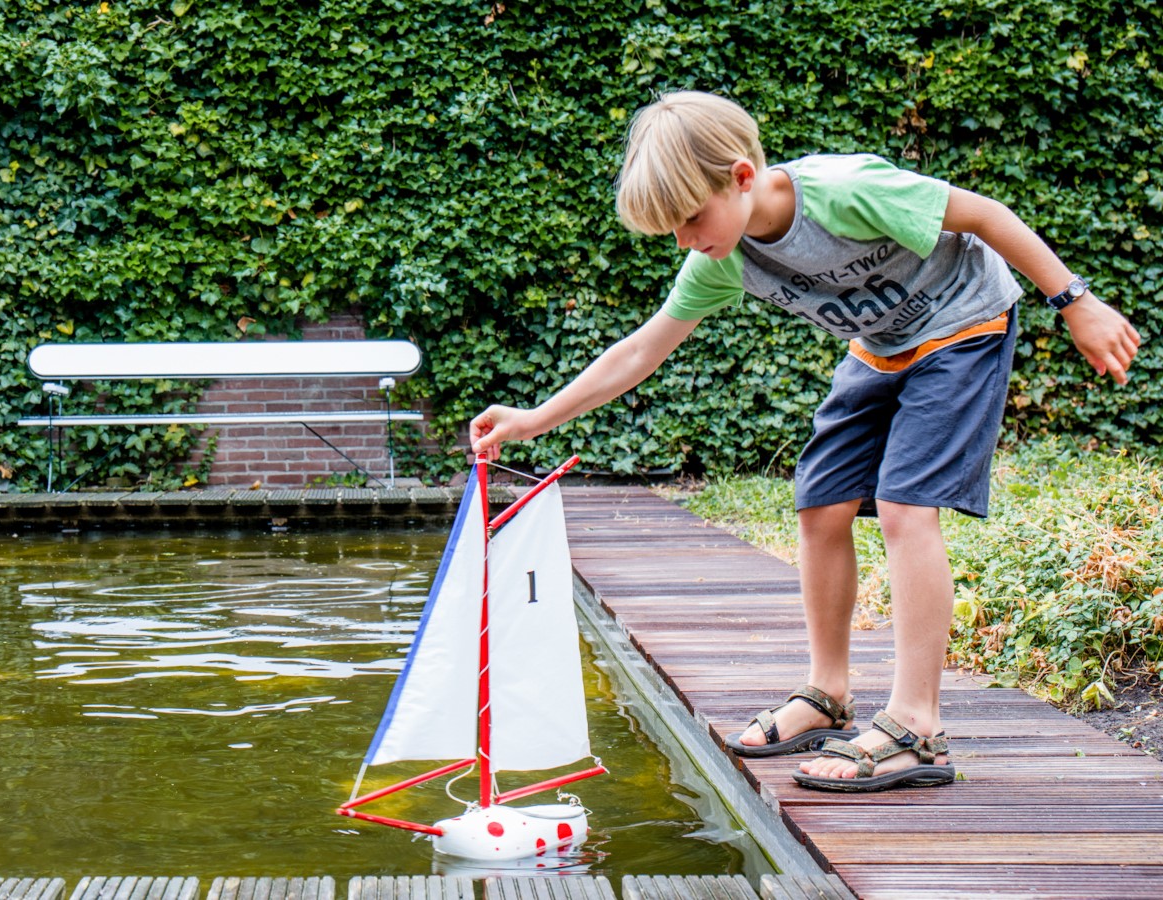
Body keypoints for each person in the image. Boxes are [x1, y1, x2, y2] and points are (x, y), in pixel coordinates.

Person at [468, 91, 1141, 792]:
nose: (684, 241)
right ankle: (828, 693)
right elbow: (642, 350)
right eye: (671, 230)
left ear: (741, 176)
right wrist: (533, 418)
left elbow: (985, 215)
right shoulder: (722, 257)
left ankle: (916, 724)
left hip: (963, 321)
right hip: (881, 345)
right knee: (821, 502)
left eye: (691, 219)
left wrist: (1076, 303)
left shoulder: (843, 192)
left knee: (906, 506)